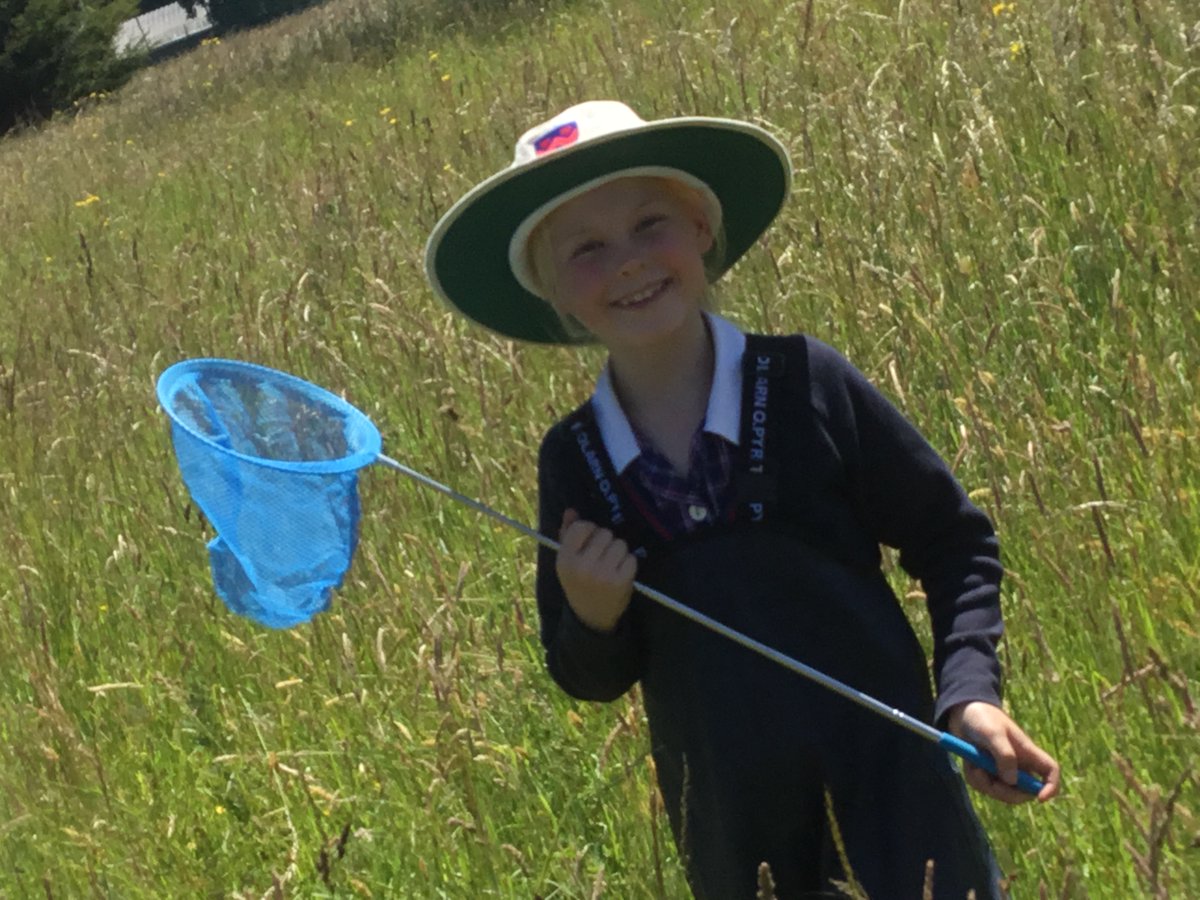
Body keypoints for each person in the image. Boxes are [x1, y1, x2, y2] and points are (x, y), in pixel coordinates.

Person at [424, 100, 1061, 899]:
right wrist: (592, 612)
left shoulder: (807, 384)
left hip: (900, 808)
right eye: (586, 248)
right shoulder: (575, 462)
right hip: (738, 848)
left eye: (649, 222)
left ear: (701, 228)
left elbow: (954, 541)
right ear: (552, 291)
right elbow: (586, 674)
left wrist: (968, 694)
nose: (626, 261)